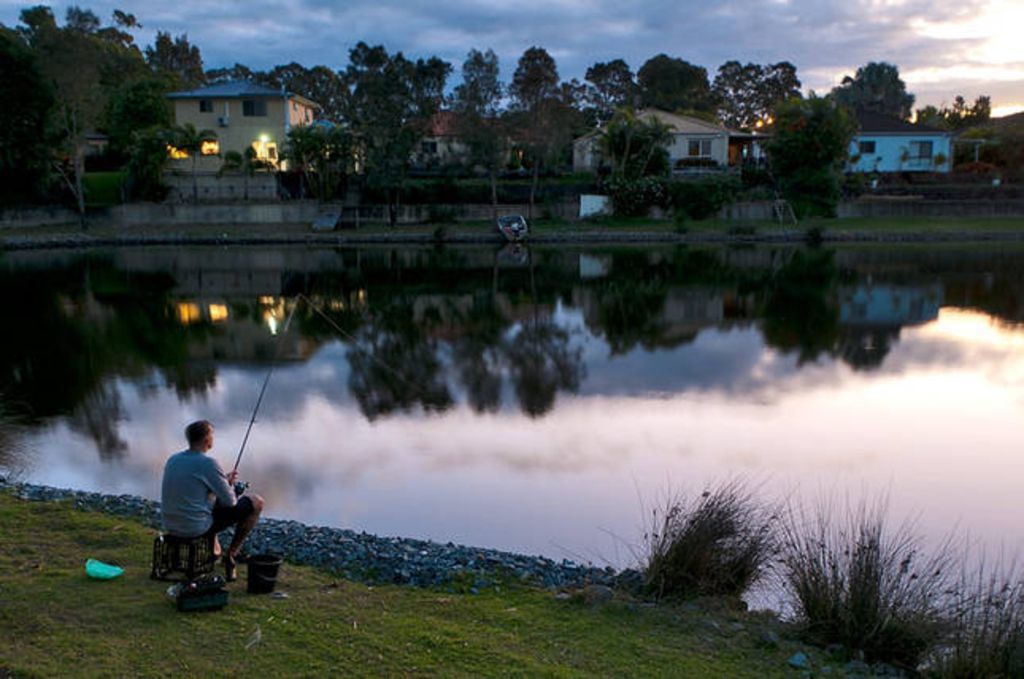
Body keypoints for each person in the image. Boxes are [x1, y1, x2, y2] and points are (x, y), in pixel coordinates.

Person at [161, 420, 264, 581]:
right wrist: (227, 487)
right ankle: (231, 554)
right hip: (194, 527)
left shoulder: (173, 459)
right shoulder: (208, 463)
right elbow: (230, 502)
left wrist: (222, 481)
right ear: (206, 440)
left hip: (170, 524)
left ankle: (215, 551)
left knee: (208, 506)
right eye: (212, 435)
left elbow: (193, 488)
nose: (213, 438)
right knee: (257, 502)